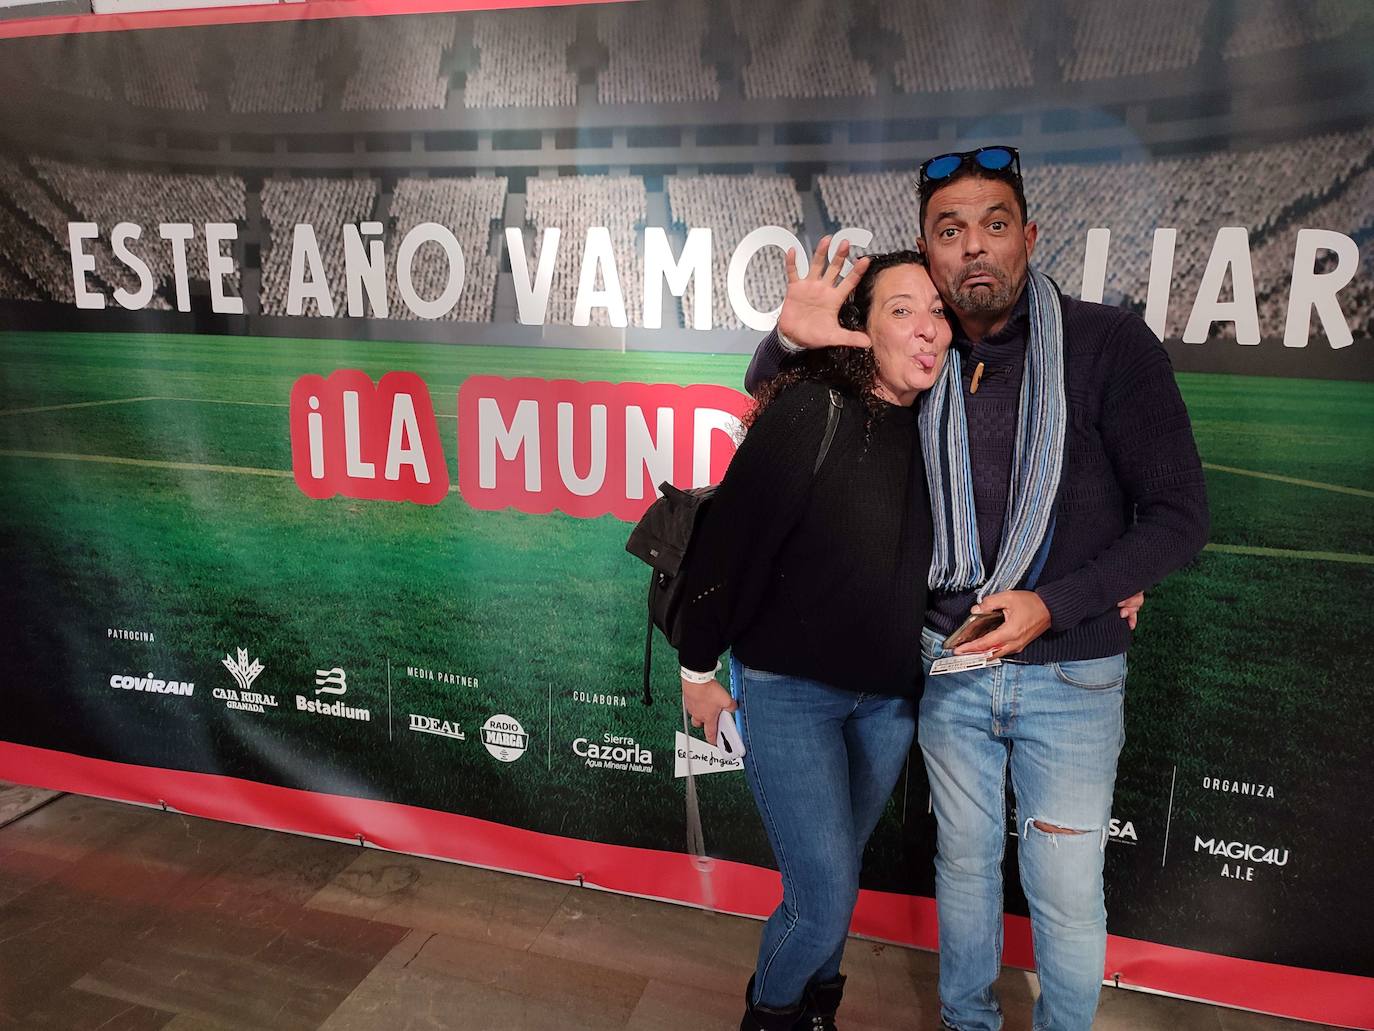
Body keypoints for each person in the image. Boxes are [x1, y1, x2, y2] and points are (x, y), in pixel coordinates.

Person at [745, 146, 1209, 1031]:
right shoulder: (920, 350)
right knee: (962, 871)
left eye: (995, 224)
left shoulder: (1109, 345)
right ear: (926, 250)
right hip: (946, 666)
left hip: (1070, 675)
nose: (974, 249)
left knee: (1065, 894)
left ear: (1029, 236)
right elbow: (780, 401)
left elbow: (1180, 515)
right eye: (948, 232)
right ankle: (968, 1024)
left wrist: (1059, 600)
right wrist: (789, 336)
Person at [676, 252, 951, 1031]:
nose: (927, 327)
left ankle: (815, 1013)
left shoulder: (939, 423)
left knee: (835, 883)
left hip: (887, 702)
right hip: (790, 694)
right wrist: (698, 671)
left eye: (936, 310)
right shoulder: (812, 410)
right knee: (824, 896)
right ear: (861, 329)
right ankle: (767, 1017)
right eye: (901, 308)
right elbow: (723, 549)